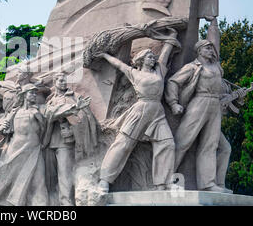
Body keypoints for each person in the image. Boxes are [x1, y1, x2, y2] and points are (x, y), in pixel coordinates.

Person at [97, 29, 179, 193]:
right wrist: (105, 55)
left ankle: (165, 182)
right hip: (140, 110)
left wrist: (173, 35)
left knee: (167, 143)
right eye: (149, 57)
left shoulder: (160, 71)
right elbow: (119, 64)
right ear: (141, 60)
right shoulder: (133, 73)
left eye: (152, 57)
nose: (152, 58)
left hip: (157, 111)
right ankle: (104, 180)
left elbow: (166, 51)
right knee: (124, 144)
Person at [165, 15, 232, 193]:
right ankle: (165, 178)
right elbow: (173, 82)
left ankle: (208, 184)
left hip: (215, 105)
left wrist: (213, 23)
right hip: (199, 103)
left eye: (212, 49)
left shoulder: (216, 65)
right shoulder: (192, 67)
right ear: (200, 51)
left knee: (210, 145)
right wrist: (173, 103)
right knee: (182, 141)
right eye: (207, 48)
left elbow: (215, 41)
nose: (211, 50)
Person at [0, 84, 49, 206]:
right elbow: (4, 127)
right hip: (15, 149)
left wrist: (39, 116)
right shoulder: (15, 111)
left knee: (39, 181)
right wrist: (3, 127)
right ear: (24, 95)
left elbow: (46, 128)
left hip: (34, 150)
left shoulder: (39, 110)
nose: (34, 95)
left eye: (35, 93)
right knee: (6, 177)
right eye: (31, 93)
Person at [43, 72, 95, 205]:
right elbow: (49, 114)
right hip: (52, 142)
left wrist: (74, 125)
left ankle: (67, 204)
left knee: (65, 175)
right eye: (60, 80)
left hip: (67, 142)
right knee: (55, 176)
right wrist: (72, 109)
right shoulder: (51, 100)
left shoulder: (75, 97)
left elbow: (84, 116)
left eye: (64, 80)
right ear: (55, 82)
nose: (63, 83)